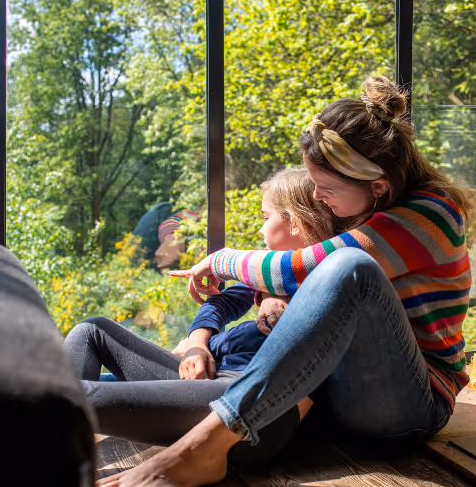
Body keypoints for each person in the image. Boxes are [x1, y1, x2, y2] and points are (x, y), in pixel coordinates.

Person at [95, 75, 471, 487]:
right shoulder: (370, 211)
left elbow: (306, 268)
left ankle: (206, 446)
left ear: (379, 186)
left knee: (348, 266)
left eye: (326, 188)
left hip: (411, 403)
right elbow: (303, 288)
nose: (315, 196)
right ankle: (49, 411)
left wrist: (221, 260)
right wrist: (238, 315)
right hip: (340, 400)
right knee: (111, 362)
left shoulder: (432, 215)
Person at [65, 169, 334, 465]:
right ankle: (55, 446)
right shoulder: (267, 274)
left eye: (265, 217)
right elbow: (220, 303)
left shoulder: (331, 281)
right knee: (92, 330)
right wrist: (197, 343)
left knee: (73, 396)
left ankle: (40, 462)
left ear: (295, 223)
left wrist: (281, 299)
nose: (260, 230)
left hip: (241, 401)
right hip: (205, 376)